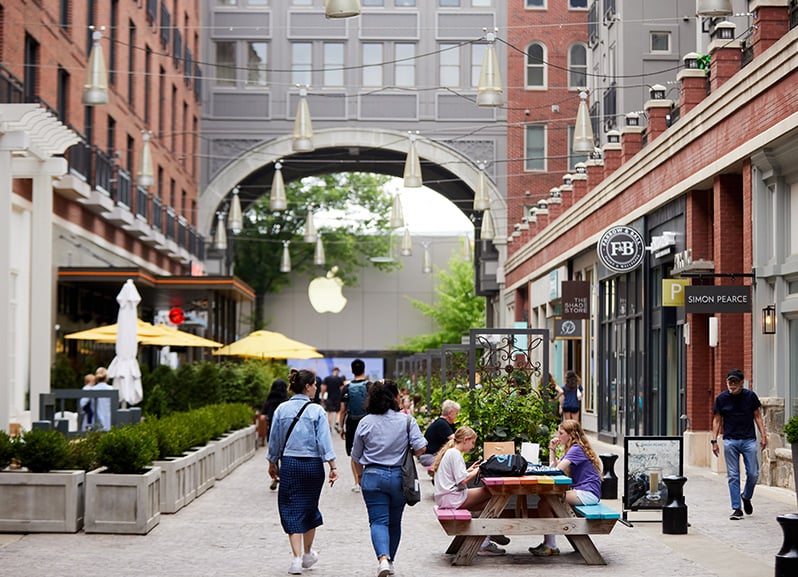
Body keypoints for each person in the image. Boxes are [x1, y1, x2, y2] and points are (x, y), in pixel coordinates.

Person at [351, 380, 427, 577]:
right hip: (399, 478)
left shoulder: (365, 422)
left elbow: (356, 456)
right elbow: (421, 448)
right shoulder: (406, 420)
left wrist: (360, 477)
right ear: (394, 397)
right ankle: (390, 561)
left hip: (373, 476)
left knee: (378, 521)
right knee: (394, 521)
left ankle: (382, 559)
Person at [267, 369, 338, 575]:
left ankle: (296, 558)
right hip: (313, 466)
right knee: (309, 507)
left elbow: (275, 439)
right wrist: (332, 466)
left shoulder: (282, 409)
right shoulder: (317, 411)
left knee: (291, 508)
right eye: (314, 384)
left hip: (290, 464)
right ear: (307, 386)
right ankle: (307, 553)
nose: (316, 388)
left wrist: (272, 462)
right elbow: (324, 442)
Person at [431, 426, 508, 556]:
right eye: (472, 443)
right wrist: (480, 468)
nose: (472, 447)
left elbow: (456, 477)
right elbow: (462, 481)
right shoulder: (455, 453)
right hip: (452, 497)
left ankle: (487, 537)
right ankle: (489, 536)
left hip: (446, 497)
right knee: (491, 492)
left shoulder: (450, 452)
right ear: (465, 440)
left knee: (489, 506)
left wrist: (469, 470)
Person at [529, 419, 602, 556]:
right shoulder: (573, 449)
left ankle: (550, 545)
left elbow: (557, 470)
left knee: (546, 502)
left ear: (571, 435)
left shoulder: (576, 449)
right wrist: (552, 449)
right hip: (583, 491)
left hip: (587, 493)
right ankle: (549, 544)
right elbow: (554, 468)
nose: (558, 436)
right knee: (545, 501)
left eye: (561, 433)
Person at [712, 368, 768, 520]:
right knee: (733, 476)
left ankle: (746, 496)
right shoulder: (721, 398)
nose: (732, 384)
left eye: (735, 381)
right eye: (730, 381)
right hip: (730, 441)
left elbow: (757, 416)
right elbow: (717, 420)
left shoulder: (750, 396)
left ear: (742, 382)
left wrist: (763, 435)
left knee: (753, 474)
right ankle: (736, 508)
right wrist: (714, 441)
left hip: (749, 440)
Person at [339, 358, 371, 492]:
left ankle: (358, 482)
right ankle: (368, 480)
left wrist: (341, 427)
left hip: (352, 422)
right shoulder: (370, 386)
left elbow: (342, 410)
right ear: (364, 370)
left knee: (354, 452)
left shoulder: (346, 388)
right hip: (368, 421)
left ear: (352, 371)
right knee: (369, 450)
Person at [262, 378, 289, 489]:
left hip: (272, 431)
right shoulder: (287, 401)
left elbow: (263, 416)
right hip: (285, 431)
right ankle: (284, 476)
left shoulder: (269, 401)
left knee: (274, 453)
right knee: (284, 454)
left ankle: (275, 476)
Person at [417, 399, 460, 467]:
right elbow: (455, 439)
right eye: (456, 413)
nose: (458, 416)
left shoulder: (447, 423)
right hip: (430, 456)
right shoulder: (441, 423)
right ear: (450, 413)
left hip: (435, 455)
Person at [322, 367, 344, 432]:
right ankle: (337, 423)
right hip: (338, 397)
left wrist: (323, 396)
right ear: (337, 371)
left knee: (330, 412)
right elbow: (342, 389)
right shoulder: (339, 379)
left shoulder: (327, 378)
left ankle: (329, 426)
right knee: (338, 411)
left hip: (330, 397)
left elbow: (323, 388)